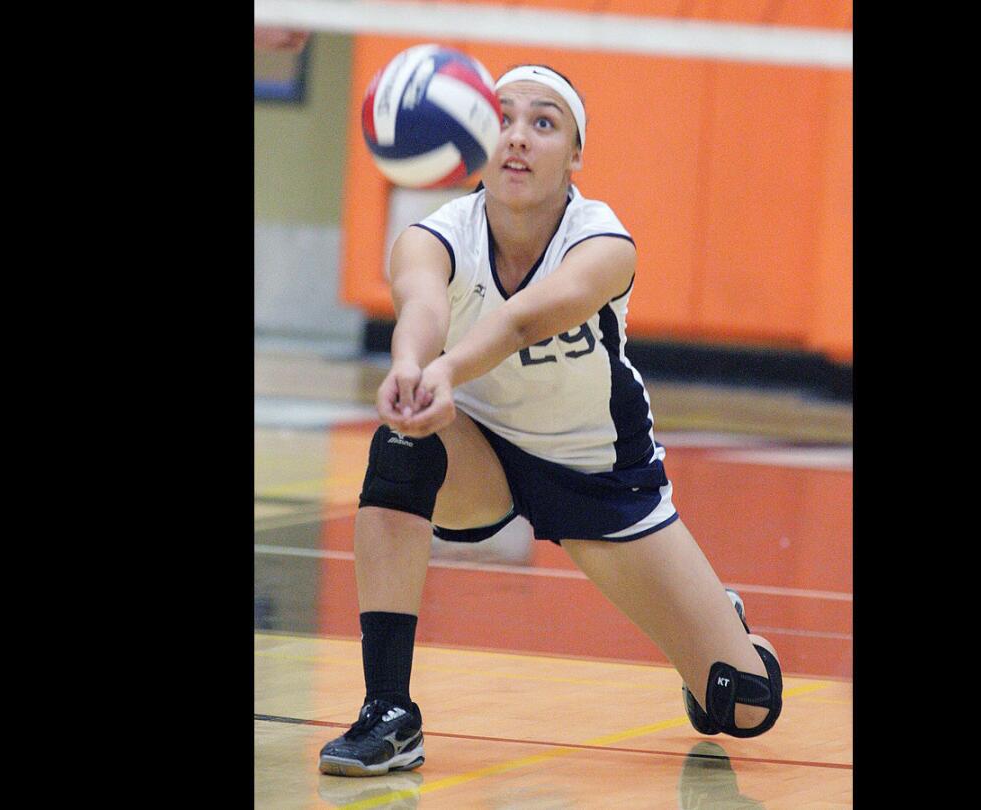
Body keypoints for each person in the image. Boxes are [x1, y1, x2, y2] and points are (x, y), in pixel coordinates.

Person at [318, 64, 783, 778]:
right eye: (502, 117)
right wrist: (413, 369)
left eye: (544, 123)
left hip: (603, 477)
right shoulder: (435, 234)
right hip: (482, 458)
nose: (518, 138)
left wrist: (445, 370)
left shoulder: (603, 242)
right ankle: (390, 711)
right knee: (403, 438)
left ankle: (722, 627)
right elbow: (421, 305)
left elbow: (524, 318)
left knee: (744, 704)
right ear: (478, 137)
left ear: (575, 158)